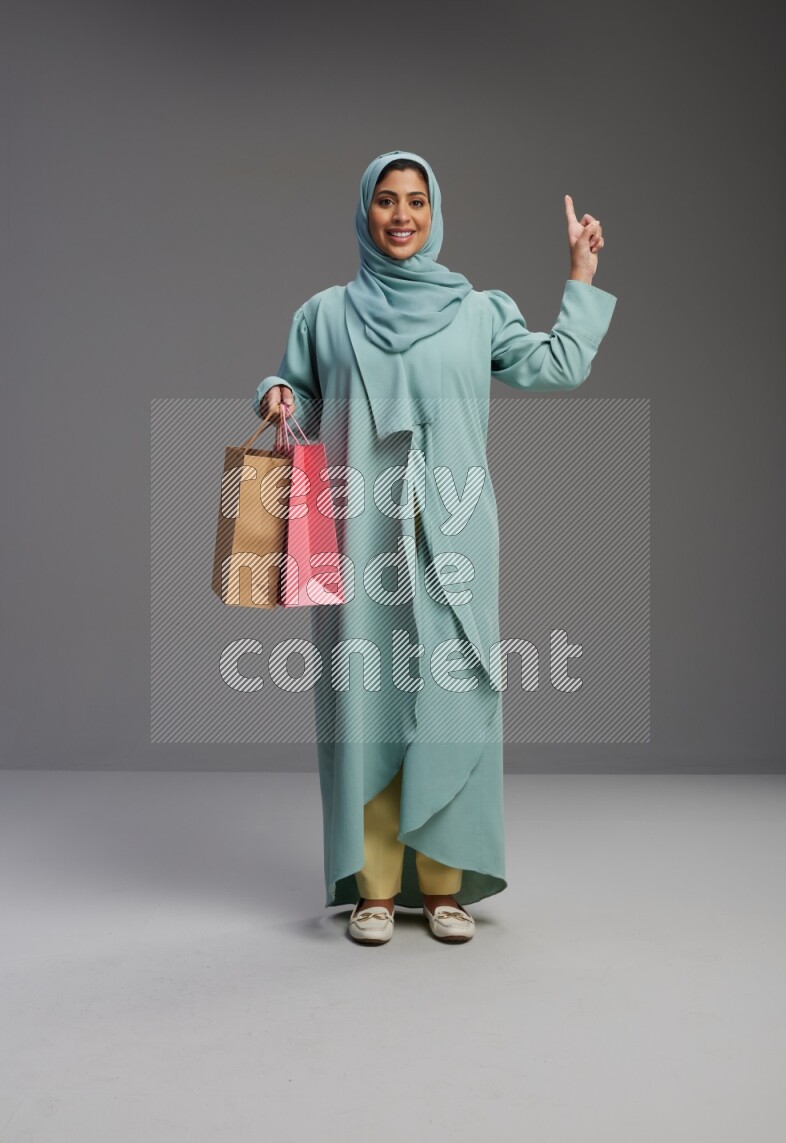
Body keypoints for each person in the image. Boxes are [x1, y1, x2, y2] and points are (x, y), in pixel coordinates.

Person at [253, 150, 617, 945]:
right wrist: (277, 394)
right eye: (386, 200)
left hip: (455, 541)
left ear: (435, 210)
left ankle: (445, 884)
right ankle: (376, 891)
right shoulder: (326, 313)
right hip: (359, 541)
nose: (401, 214)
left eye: (416, 200)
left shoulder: (479, 310)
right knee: (369, 709)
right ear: (365, 211)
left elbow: (555, 365)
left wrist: (580, 277)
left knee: (454, 707)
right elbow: (301, 395)